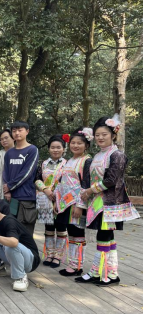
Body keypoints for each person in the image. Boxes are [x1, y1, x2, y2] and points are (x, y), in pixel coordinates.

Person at [77, 115, 140, 286]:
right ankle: (107, 273)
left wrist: (90, 190)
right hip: (97, 202)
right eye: (97, 134)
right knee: (105, 237)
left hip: (110, 204)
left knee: (105, 236)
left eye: (104, 134)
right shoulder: (97, 155)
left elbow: (111, 180)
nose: (100, 137)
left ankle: (102, 272)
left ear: (113, 135)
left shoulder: (117, 155)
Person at [0, 196, 41, 292]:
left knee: (10, 245)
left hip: (30, 260)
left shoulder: (9, 221)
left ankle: (20, 277)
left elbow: (14, 242)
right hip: (13, 255)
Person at [54, 128, 92, 276]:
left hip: (77, 204)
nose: (75, 146)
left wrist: (80, 205)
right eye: (73, 143)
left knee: (78, 233)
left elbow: (86, 184)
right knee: (71, 233)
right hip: (66, 203)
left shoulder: (87, 161)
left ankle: (77, 266)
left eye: (79, 143)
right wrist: (57, 201)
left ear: (86, 145)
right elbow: (61, 182)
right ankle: (73, 263)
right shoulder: (69, 161)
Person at [34, 134, 68, 268]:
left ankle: (58, 256)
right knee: (48, 228)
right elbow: (37, 179)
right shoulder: (43, 164)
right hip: (45, 199)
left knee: (61, 227)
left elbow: (68, 181)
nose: (55, 150)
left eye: (58, 147)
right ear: (48, 149)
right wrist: (45, 190)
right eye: (53, 147)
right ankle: (49, 254)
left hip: (61, 200)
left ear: (63, 149)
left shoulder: (67, 164)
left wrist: (57, 196)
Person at [3, 121, 39, 236]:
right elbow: (5, 172)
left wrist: (9, 186)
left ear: (27, 131)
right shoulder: (9, 153)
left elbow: (27, 173)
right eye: (14, 131)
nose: (17, 133)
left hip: (26, 198)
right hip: (11, 198)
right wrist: (7, 190)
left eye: (20, 130)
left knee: (25, 234)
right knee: (11, 231)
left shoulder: (32, 150)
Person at [0, 129, 14, 198]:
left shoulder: (21, 153)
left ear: (13, 138)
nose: (4, 140)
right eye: (1, 139)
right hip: (2, 193)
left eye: (6, 138)